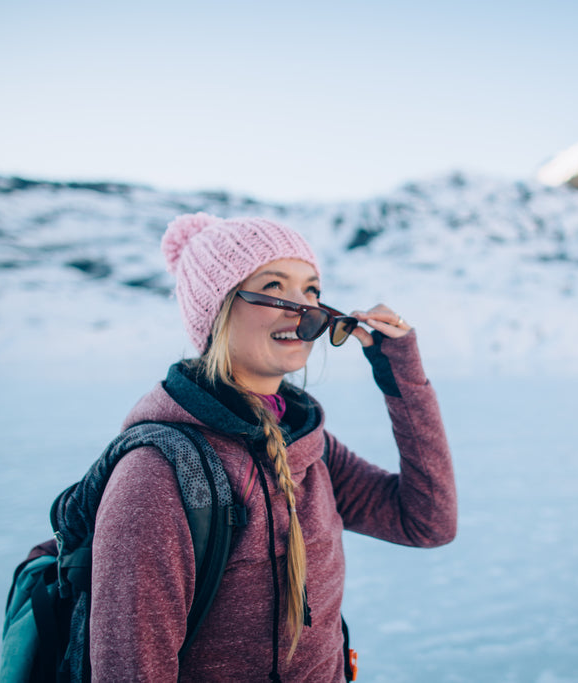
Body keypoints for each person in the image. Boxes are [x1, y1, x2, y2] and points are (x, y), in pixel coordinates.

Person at [89, 213, 457, 681]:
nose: (303, 309)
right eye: (275, 286)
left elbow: (427, 521)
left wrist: (399, 375)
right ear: (219, 309)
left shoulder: (306, 444)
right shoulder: (158, 477)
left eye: (312, 291)